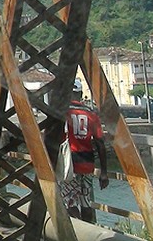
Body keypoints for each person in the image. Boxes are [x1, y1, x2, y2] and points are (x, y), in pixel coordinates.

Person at [62, 82, 109, 223]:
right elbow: (100, 143)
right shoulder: (91, 113)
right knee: (86, 202)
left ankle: (77, 233)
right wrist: (104, 172)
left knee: (70, 202)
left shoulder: (65, 112)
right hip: (87, 163)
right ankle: (89, 231)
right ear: (81, 94)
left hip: (69, 165)